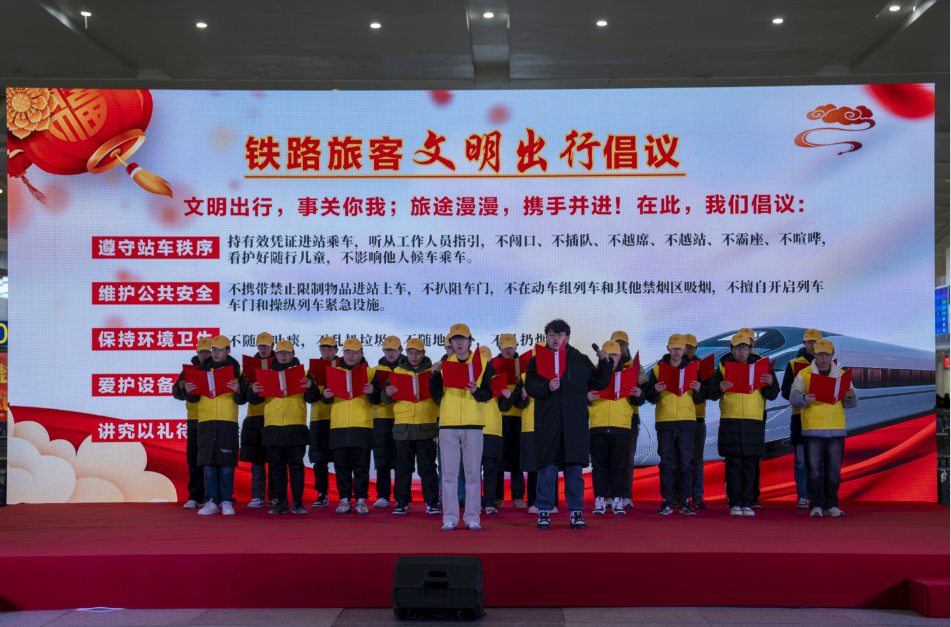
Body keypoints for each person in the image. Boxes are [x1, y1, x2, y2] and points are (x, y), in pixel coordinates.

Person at [525, 319, 612, 530]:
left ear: (568, 337)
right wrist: (547, 387)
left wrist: (605, 365)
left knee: (574, 471)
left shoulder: (580, 359)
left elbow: (598, 382)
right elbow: (530, 386)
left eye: (560, 335)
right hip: (548, 423)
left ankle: (576, 513)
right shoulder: (537, 360)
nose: (556, 339)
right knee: (547, 471)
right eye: (552, 335)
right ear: (546, 337)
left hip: (575, 423)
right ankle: (544, 512)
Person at [429, 323, 496, 531]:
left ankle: (472, 517)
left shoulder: (483, 364)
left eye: (463, 339)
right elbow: (436, 395)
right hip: (448, 424)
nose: (459, 343)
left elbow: (488, 394)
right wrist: (433, 375)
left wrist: (476, 391)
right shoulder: (442, 365)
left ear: (470, 341)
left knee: (473, 474)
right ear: (450, 343)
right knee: (448, 474)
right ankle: (449, 518)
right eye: (455, 339)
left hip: (473, 424)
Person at [705, 333, 779, 517]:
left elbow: (773, 395)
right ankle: (735, 503)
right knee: (734, 463)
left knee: (751, 464)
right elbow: (711, 394)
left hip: (754, 421)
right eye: (737, 348)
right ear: (731, 350)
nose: (741, 351)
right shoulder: (722, 367)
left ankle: (747, 503)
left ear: (751, 349)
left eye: (744, 347)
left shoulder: (763, 367)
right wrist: (720, 388)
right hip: (731, 420)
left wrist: (770, 384)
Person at [246, 341, 320, 515]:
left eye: (287, 353)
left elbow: (313, 398)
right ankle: (281, 503)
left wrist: (311, 387)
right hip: (273, 427)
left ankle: (298, 503)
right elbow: (254, 400)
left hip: (296, 426)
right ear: (275, 355)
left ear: (293, 354)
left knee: (296, 467)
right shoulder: (266, 375)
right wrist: (253, 390)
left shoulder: (304, 374)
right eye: (280, 353)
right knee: (277, 468)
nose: (284, 356)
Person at [789, 339, 858, 518]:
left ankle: (832, 505)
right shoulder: (804, 374)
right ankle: (816, 505)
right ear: (814, 354)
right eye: (820, 354)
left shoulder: (841, 375)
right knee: (814, 472)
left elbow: (851, 404)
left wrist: (851, 396)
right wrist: (803, 398)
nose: (824, 358)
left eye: (827, 354)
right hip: (812, 429)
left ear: (833, 355)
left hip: (836, 429)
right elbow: (793, 399)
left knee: (834, 472)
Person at [180, 335, 247, 515]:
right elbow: (193, 398)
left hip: (228, 421)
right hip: (206, 421)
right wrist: (188, 391)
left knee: (226, 465)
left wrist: (239, 390)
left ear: (228, 351)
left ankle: (226, 501)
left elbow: (243, 400)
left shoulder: (238, 373)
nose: (216, 353)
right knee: (208, 464)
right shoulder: (200, 371)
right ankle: (210, 501)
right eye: (214, 350)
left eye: (220, 349)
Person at [642, 334, 705, 516]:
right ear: (668, 349)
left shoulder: (693, 369)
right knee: (666, 464)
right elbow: (649, 398)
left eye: (680, 348)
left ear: (685, 350)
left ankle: (685, 502)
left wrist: (699, 389)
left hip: (687, 422)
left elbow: (700, 398)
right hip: (665, 422)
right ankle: (667, 502)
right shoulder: (657, 370)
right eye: (674, 348)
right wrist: (655, 390)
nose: (677, 352)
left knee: (686, 464)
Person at [378, 338, 440, 515]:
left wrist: (435, 380)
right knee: (403, 467)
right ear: (406, 353)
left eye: (417, 353)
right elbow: (384, 398)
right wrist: (387, 393)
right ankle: (402, 501)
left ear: (423, 353)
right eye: (410, 353)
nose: (414, 356)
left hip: (426, 425)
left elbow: (440, 397)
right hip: (403, 427)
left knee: (427, 467)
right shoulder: (396, 372)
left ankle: (432, 502)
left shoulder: (432, 372)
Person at [320, 338, 379, 515]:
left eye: (355, 352)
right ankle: (344, 500)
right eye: (347, 352)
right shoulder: (334, 372)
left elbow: (378, 399)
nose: (351, 355)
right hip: (338, 426)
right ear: (342, 354)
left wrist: (372, 391)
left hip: (362, 425)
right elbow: (325, 399)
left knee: (361, 467)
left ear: (361, 353)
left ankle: (361, 500)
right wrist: (325, 394)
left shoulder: (370, 372)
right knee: (342, 467)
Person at [587, 340, 644, 515]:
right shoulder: (592, 374)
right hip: (598, 425)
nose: (611, 358)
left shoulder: (629, 374)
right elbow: (580, 399)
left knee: (619, 467)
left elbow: (639, 401)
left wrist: (639, 394)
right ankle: (599, 500)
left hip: (622, 426)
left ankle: (618, 500)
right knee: (599, 467)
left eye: (615, 355)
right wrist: (586, 397)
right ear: (601, 355)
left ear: (621, 356)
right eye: (608, 354)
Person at [780, 329, 822, 509]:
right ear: (804, 344)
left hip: (821, 416)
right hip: (800, 416)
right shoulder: (793, 364)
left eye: (816, 342)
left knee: (819, 460)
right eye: (809, 342)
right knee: (801, 460)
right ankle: (803, 495)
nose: (812, 345)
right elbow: (785, 392)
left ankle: (818, 496)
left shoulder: (827, 364)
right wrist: (797, 388)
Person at [172, 336, 212, 509]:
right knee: (194, 460)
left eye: (207, 351)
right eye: (201, 352)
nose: (204, 354)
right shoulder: (188, 371)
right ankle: (195, 497)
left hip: (212, 419)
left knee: (211, 461)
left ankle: (212, 497)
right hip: (194, 420)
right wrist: (181, 388)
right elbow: (176, 394)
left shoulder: (218, 370)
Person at [239, 332, 276, 509]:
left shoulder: (280, 365)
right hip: (254, 418)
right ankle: (257, 496)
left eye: (266, 346)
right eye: (260, 346)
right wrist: (250, 387)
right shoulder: (248, 368)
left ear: (272, 346)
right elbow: (244, 397)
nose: (263, 349)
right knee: (257, 461)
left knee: (276, 461)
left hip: (275, 417)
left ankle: (275, 497)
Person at [607, 330, 642, 509]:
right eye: (616, 343)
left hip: (630, 417)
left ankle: (626, 495)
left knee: (628, 458)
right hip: (607, 417)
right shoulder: (603, 364)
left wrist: (639, 390)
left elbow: (644, 392)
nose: (620, 347)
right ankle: (607, 496)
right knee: (608, 459)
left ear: (628, 346)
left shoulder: (635, 366)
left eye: (623, 343)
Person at [479, 346, 514, 515]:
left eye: (486, 362)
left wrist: (508, 398)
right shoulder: (468, 381)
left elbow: (503, 407)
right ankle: (475, 502)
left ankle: (489, 503)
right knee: (471, 470)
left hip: (493, 430)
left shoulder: (497, 380)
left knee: (491, 469)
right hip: (473, 428)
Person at [371, 336, 402, 508]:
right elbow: (374, 397)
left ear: (400, 350)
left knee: (400, 457)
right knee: (381, 457)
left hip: (401, 416)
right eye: (387, 350)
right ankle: (382, 496)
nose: (390, 353)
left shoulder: (406, 370)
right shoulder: (375, 370)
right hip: (381, 416)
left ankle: (400, 496)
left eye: (393, 350)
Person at [308, 336, 339, 508]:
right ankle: (322, 494)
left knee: (342, 460)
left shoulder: (344, 367)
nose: (326, 352)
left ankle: (344, 495)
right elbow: (308, 397)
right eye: (323, 349)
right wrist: (311, 384)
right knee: (319, 460)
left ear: (336, 350)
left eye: (330, 349)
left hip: (339, 418)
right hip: (318, 417)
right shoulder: (311, 371)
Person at [497, 334, 527, 508]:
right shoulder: (493, 365)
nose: (508, 350)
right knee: (498, 458)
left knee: (517, 458)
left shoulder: (523, 365)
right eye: (505, 348)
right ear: (499, 348)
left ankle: (518, 497)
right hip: (498, 416)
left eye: (511, 347)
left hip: (518, 415)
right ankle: (498, 497)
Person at [737, 327, 764, 509]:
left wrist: (769, 382)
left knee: (753, 458)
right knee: (734, 459)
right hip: (734, 415)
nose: (747, 345)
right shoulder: (727, 363)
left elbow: (772, 391)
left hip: (756, 415)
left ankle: (753, 497)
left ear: (753, 343)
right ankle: (735, 497)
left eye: (750, 341)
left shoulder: (762, 362)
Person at [684, 334, 708, 509]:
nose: (687, 350)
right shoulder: (670, 366)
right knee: (678, 460)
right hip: (678, 419)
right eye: (684, 347)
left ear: (696, 349)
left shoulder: (703, 367)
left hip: (698, 418)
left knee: (697, 460)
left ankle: (697, 495)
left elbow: (709, 392)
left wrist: (700, 388)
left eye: (690, 347)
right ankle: (678, 495)